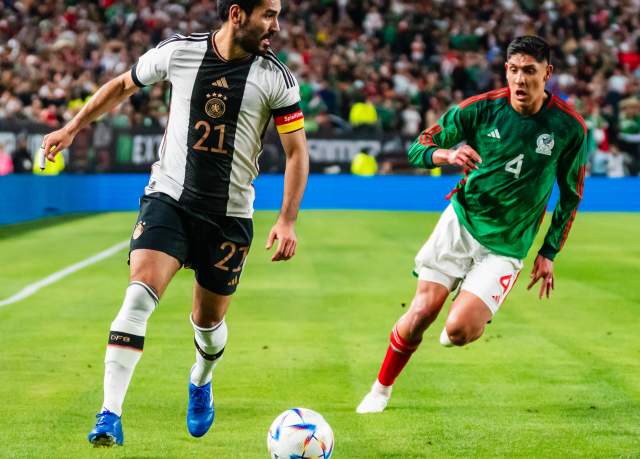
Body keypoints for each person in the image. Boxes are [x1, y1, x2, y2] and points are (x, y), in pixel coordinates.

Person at [42, 0, 309, 446]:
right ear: (238, 13)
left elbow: (297, 152)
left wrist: (287, 219)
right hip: (169, 199)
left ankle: (201, 379)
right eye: (269, 15)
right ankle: (109, 414)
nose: (276, 27)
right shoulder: (179, 52)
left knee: (207, 325)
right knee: (138, 297)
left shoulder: (275, 79)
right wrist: (72, 127)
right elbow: (123, 85)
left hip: (229, 216)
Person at [356, 36, 587, 414]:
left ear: (548, 73)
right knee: (421, 313)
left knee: (459, 331)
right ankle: (380, 389)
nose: (520, 80)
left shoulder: (568, 128)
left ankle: (464, 312)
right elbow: (419, 147)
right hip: (462, 223)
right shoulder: (481, 110)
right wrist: (446, 153)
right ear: (505, 71)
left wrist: (548, 252)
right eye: (513, 70)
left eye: (530, 71)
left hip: (507, 244)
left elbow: (571, 193)